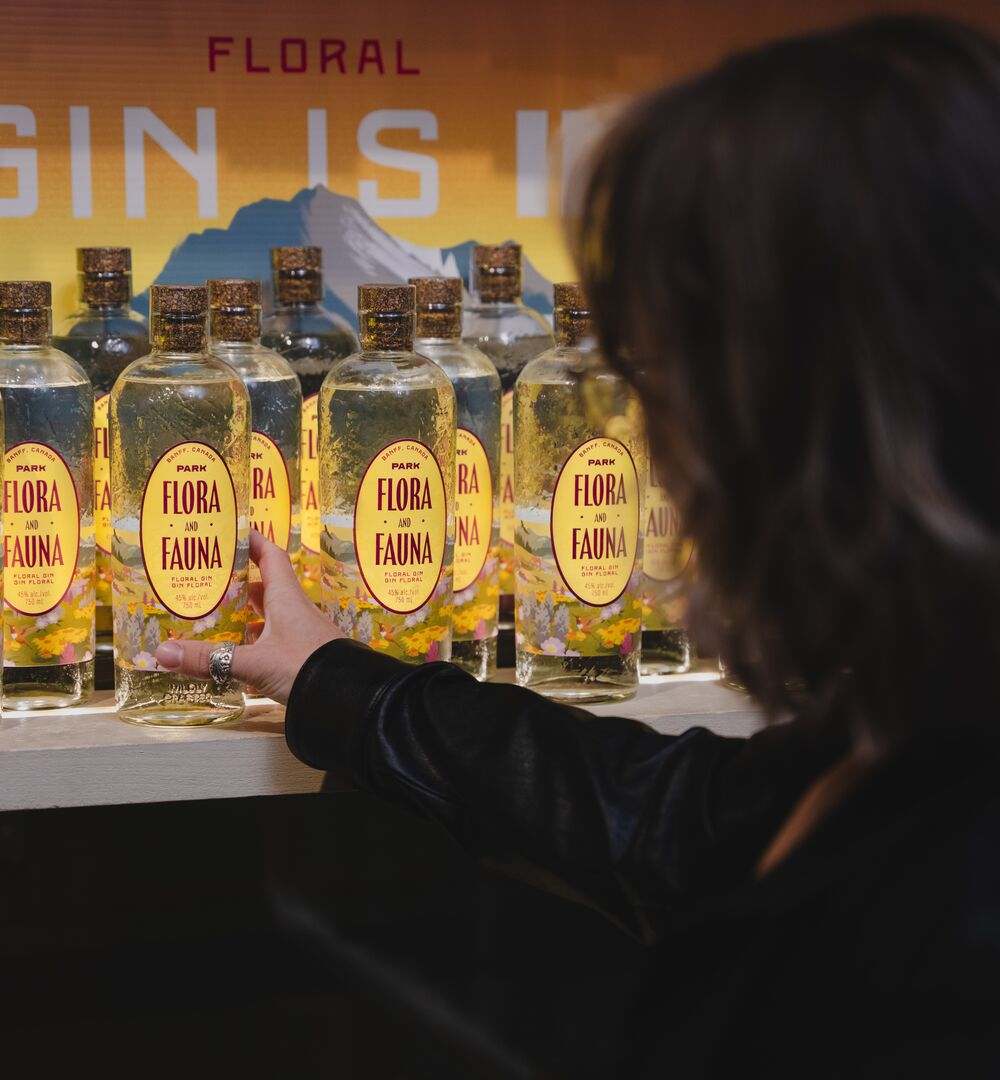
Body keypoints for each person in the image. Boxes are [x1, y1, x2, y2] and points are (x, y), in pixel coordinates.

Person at [156, 15, 1000, 1075]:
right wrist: (332, 678)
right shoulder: (918, 738)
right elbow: (660, 815)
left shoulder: (957, 927)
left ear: (834, 411)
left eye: (685, 366)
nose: (660, 440)